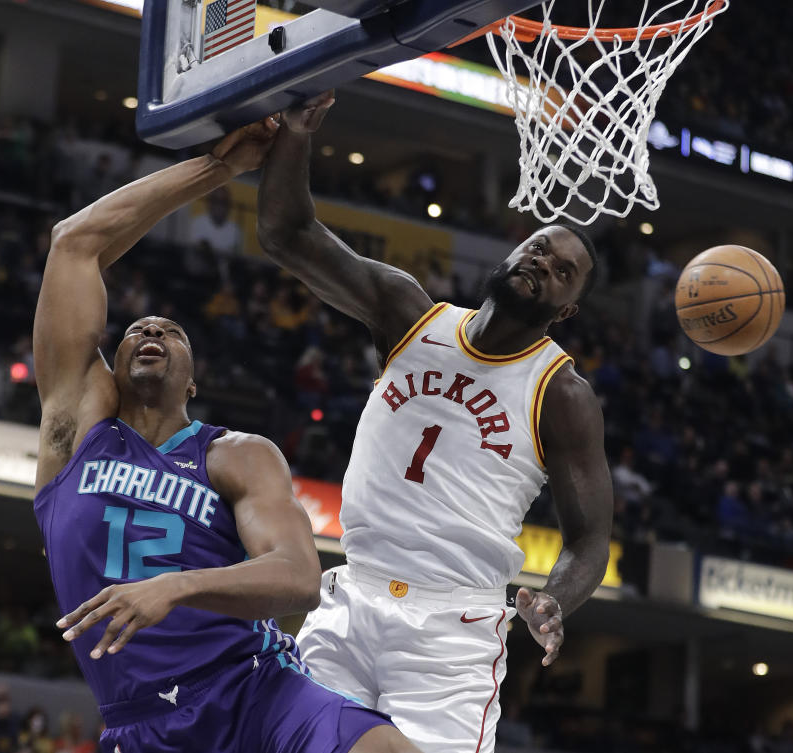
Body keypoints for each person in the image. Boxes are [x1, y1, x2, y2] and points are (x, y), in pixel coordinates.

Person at [32, 119, 421, 753]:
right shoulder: (74, 432)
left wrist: (177, 586)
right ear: (111, 366)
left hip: (256, 691)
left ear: (193, 382)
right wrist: (218, 168)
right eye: (136, 329)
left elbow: (298, 577)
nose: (151, 331)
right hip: (141, 722)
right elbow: (74, 243)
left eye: (171, 332)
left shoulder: (236, 454)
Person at [255, 93, 614, 753]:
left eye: (565, 271)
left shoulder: (561, 393)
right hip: (351, 599)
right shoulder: (407, 313)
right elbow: (287, 234)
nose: (545, 264)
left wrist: (555, 599)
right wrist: (297, 136)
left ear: (566, 310)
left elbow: (591, 538)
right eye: (539, 249)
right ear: (512, 252)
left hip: (450, 630)